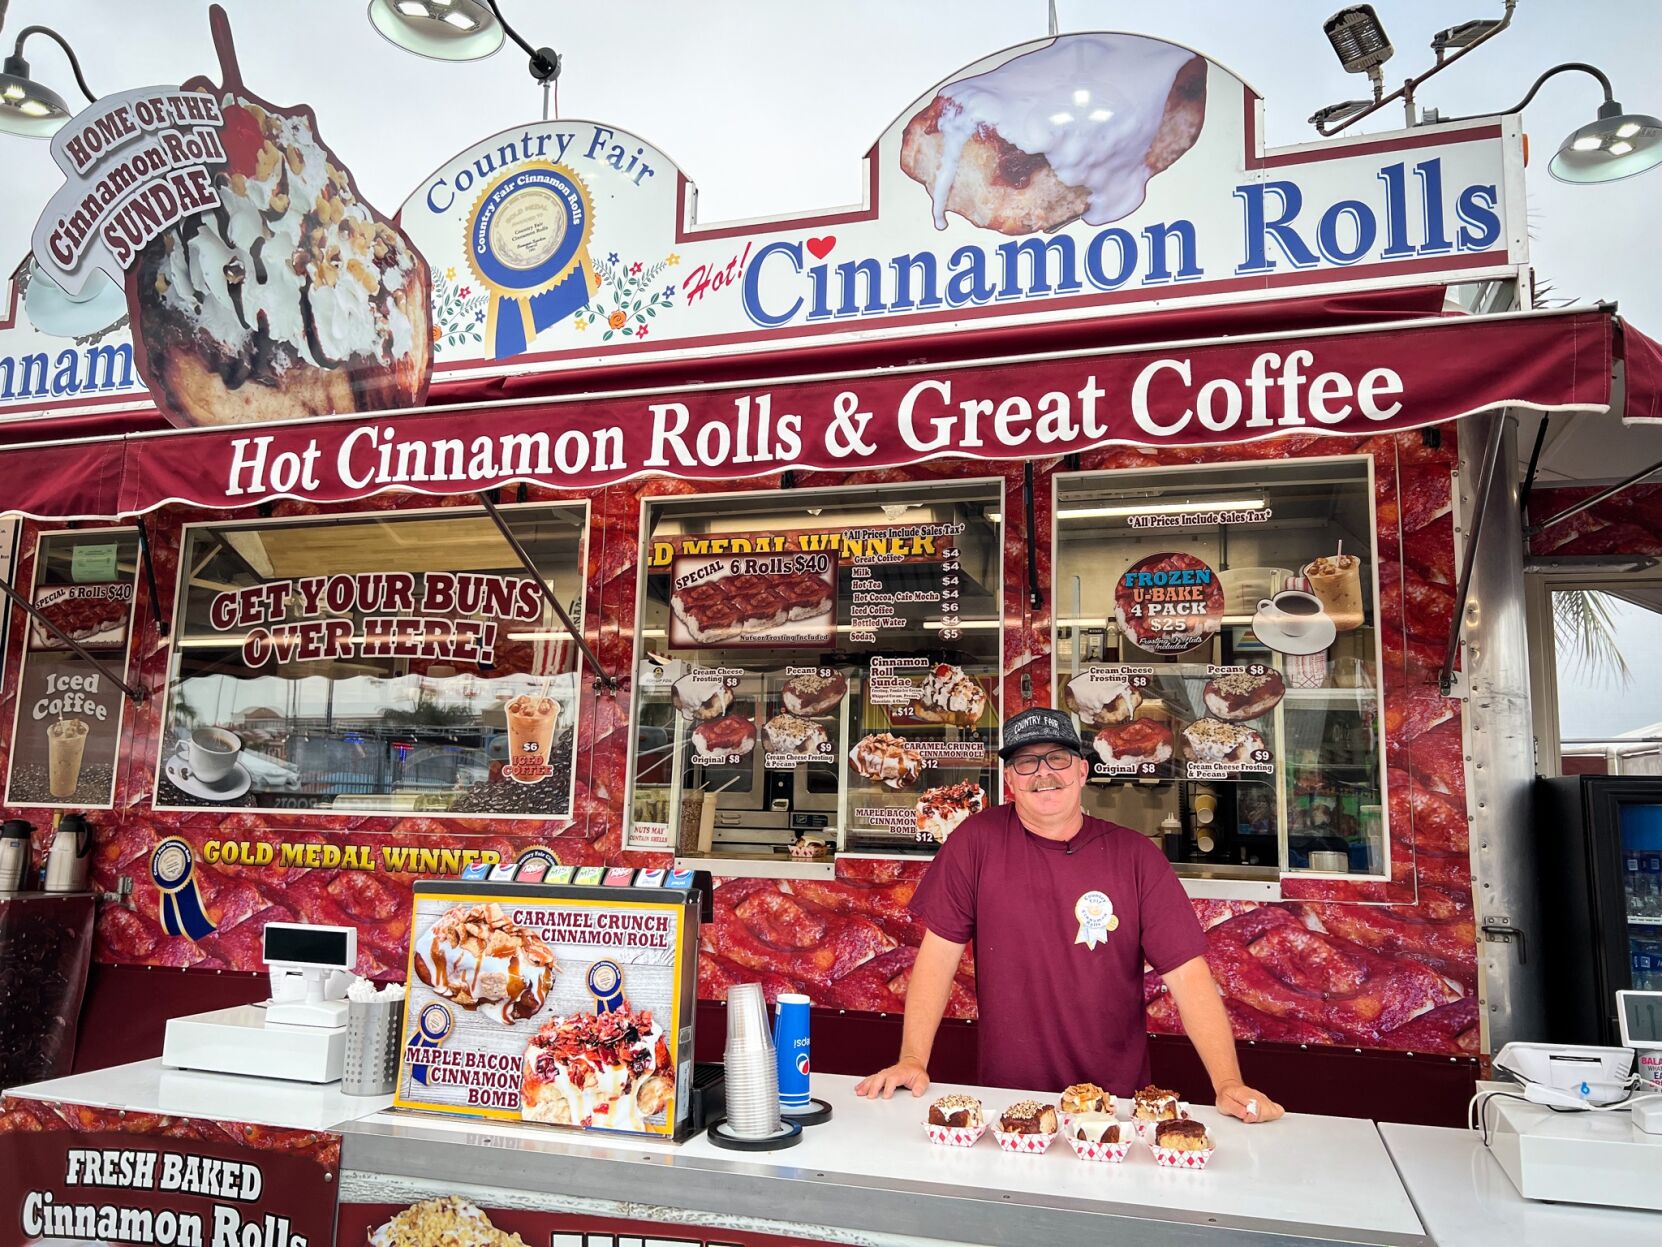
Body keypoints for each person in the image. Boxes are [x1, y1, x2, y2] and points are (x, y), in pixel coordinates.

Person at [856, 707, 1283, 1123]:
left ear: (1082, 770)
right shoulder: (975, 842)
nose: (1044, 773)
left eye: (1057, 758)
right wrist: (911, 1058)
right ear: (1009, 780)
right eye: (1026, 762)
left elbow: (1188, 975)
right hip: (1008, 1100)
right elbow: (937, 958)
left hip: (1114, 1104)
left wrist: (1228, 1083)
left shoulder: (1136, 858)